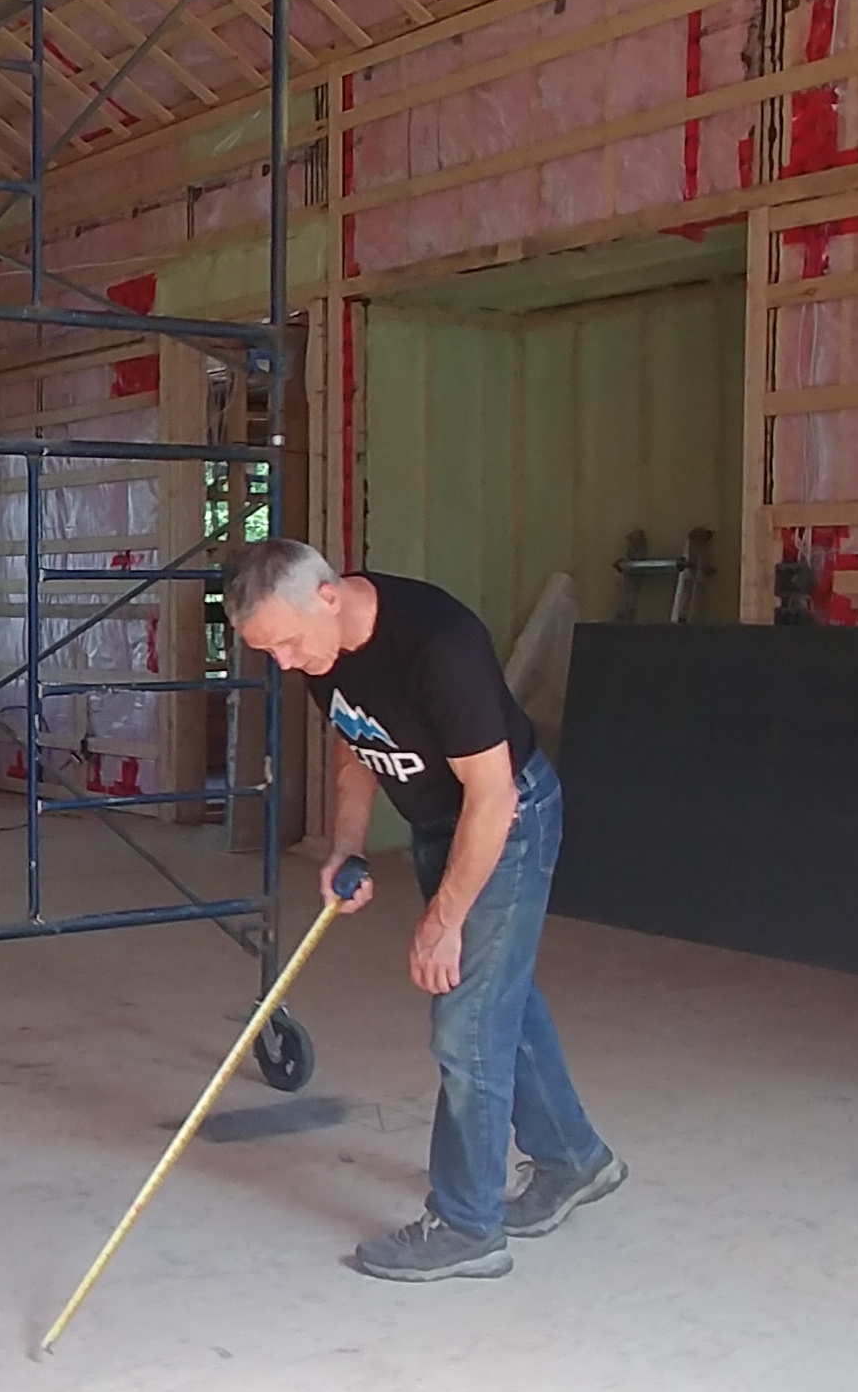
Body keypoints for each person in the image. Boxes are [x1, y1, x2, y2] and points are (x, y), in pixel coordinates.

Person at [223, 537, 623, 1282]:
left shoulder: (439, 644)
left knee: (466, 1024)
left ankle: (467, 1224)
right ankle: (574, 1159)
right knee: (502, 1000)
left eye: (284, 642)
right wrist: (347, 848)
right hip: (441, 823)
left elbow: (493, 796)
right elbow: (356, 748)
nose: (281, 662)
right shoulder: (321, 651)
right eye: (265, 650)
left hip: (506, 821)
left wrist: (442, 920)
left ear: (330, 598)